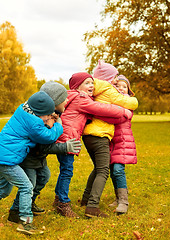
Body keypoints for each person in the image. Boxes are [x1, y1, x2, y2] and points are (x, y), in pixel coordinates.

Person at [0, 91, 63, 235]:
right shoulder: (34, 124)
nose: (48, 117)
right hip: (8, 161)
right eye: (47, 114)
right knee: (27, 187)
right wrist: (58, 123)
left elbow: (41, 122)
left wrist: (48, 119)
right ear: (39, 113)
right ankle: (25, 223)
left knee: (4, 189)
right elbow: (48, 136)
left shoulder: (23, 109)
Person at [53, 72, 132, 218]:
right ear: (78, 86)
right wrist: (124, 111)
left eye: (92, 83)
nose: (92, 86)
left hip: (68, 137)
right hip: (71, 139)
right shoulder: (81, 98)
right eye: (87, 83)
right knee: (97, 171)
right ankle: (85, 206)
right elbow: (102, 108)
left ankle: (70, 199)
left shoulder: (73, 96)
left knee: (70, 169)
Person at [8, 82, 82, 223]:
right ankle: (15, 211)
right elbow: (43, 146)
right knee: (29, 184)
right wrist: (65, 147)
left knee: (44, 177)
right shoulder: (43, 119)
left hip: (39, 159)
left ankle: (30, 202)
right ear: (54, 102)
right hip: (29, 158)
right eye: (64, 98)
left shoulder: (54, 115)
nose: (67, 100)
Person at [81, 60, 138, 218]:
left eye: (122, 85)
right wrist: (129, 106)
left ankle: (86, 199)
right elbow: (129, 103)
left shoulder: (94, 89)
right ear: (108, 77)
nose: (116, 83)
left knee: (99, 168)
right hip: (101, 135)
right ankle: (93, 206)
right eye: (114, 78)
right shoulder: (107, 89)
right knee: (104, 171)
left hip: (90, 134)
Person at [108, 75, 137, 214]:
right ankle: (118, 198)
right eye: (118, 85)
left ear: (128, 90)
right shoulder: (111, 101)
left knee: (118, 170)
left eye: (124, 86)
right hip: (111, 140)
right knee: (113, 171)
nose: (121, 88)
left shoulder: (128, 102)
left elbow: (118, 115)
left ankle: (124, 202)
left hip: (123, 140)